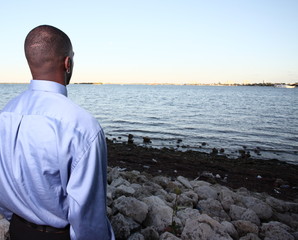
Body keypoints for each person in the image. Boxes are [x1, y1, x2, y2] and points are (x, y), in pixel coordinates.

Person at [0, 25, 115, 240]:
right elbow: (88, 218)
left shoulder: (5, 114)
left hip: (17, 230)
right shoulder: (83, 127)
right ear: (67, 63)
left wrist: (15, 217)